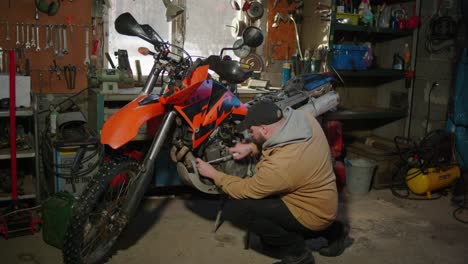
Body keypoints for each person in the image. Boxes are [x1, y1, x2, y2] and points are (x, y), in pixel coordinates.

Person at [196, 101, 347, 264]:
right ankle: (334, 231)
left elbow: (246, 189)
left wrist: (214, 174)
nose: (249, 133)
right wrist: (251, 147)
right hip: (324, 202)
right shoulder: (305, 119)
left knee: (245, 208)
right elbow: (277, 137)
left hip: (312, 215)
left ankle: (299, 255)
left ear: (264, 129)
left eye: (251, 130)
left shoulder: (281, 166)